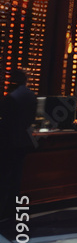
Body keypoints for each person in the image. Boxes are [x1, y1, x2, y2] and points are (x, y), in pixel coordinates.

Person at [1, 68, 37, 220]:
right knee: (16, 177)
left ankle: (3, 210)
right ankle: (11, 210)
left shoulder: (11, 97)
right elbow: (31, 119)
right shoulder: (31, 95)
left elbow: (5, 120)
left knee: (5, 178)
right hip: (23, 142)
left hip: (8, 142)